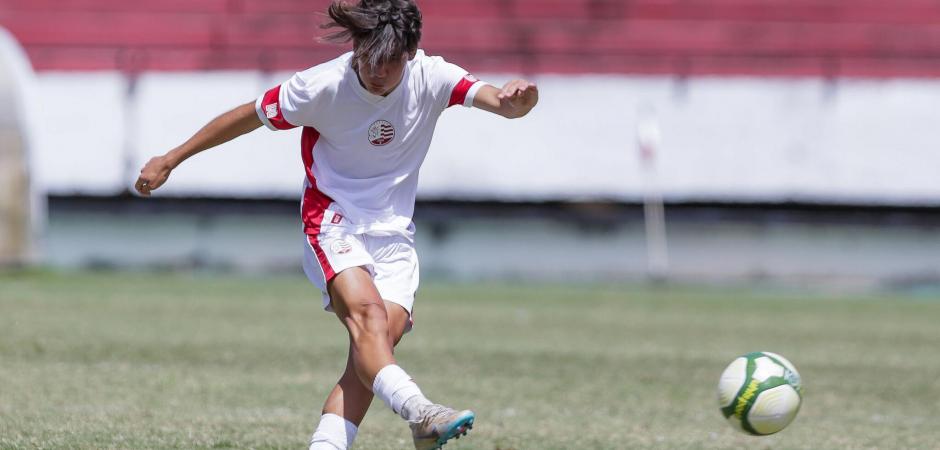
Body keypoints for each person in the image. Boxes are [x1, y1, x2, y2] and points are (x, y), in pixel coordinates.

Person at [134, 0, 538, 448]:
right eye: (367, 56)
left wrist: (518, 99)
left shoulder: (434, 76)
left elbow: (502, 104)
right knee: (367, 317)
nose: (375, 70)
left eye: (387, 61)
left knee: (373, 352)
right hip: (332, 221)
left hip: (394, 234)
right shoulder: (321, 85)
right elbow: (247, 116)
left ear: (409, 54)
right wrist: (172, 158)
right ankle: (421, 412)